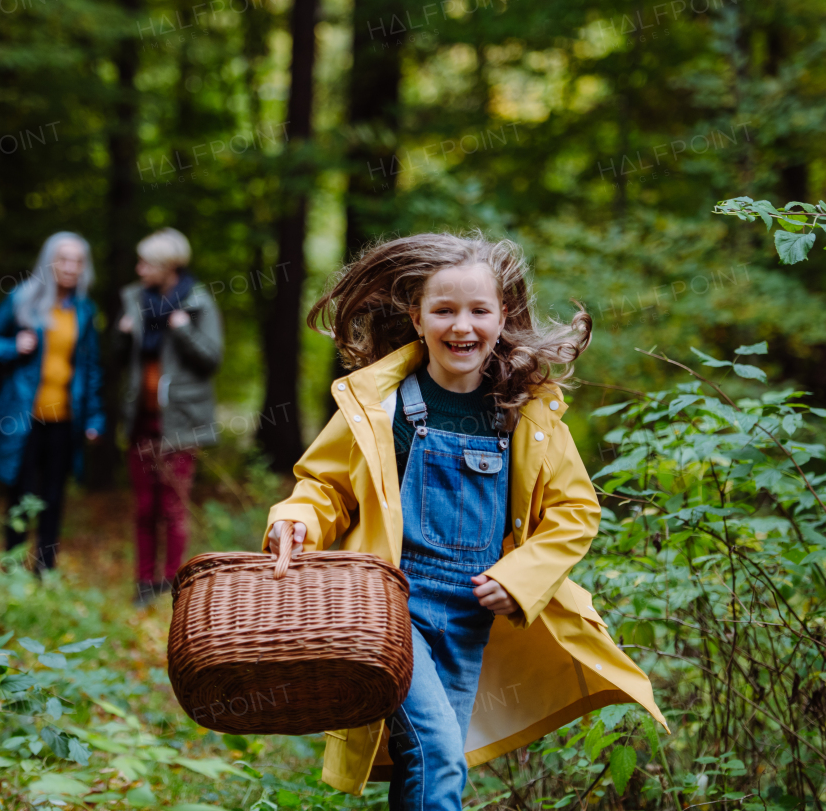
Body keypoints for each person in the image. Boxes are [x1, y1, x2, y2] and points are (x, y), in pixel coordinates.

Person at [264, 233, 666, 807]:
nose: (462, 327)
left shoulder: (525, 414)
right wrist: (299, 519)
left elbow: (573, 511)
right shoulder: (385, 406)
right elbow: (326, 486)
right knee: (438, 751)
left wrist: (520, 579)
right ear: (418, 316)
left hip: (469, 616)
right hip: (387, 607)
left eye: (479, 311)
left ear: (503, 317)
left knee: (427, 758)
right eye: (444, 310)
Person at [0, 232, 106, 573]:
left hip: (66, 418)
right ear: (49, 261)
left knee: (54, 495)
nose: (71, 267)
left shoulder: (84, 310)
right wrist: (12, 346)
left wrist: (94, 417)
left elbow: (90, 367)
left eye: (78, 261)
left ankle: (44, 569)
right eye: (64, 259)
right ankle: (12, 564)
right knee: (20, 491)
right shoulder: (23, 298)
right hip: (23, 415)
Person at [117, 228, 223, 606]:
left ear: (167, 267)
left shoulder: (198, 303)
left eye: (147, 262)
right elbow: (120, 362)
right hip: (141, 420)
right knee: (145, 507)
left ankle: (172, 582)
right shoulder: (133, 301)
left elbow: (211, 358)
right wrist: (122, 335)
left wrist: (183, 330)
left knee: (173, 506)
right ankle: (144, 583)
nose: (139, 268)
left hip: (181, 420)